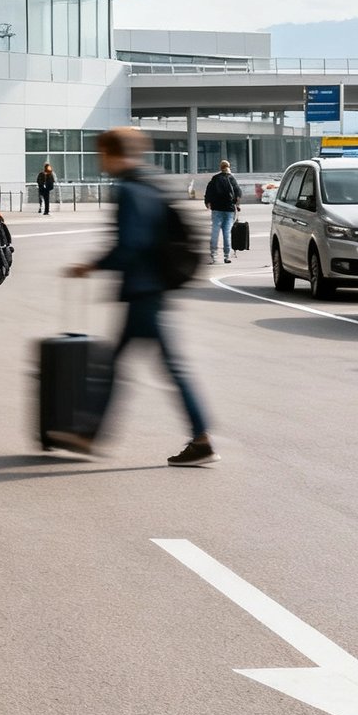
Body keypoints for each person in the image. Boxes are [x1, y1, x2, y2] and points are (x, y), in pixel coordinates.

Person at [60, 127, 215, 467]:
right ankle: (92, 434)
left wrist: (91, 266)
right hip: (153, 289)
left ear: (112, 153)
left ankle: (199, 436)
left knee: (146, 367)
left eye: (101, 153)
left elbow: (131, 244)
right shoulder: (151, 181)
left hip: (143, 291)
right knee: (138, 366)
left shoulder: (129, 189)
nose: (100, 160)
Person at [203, 158, 242, 263]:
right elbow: (238, 192)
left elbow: (208, 191)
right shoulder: (231, 178)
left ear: (220, 168)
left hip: (216, 209)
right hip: (229, 210)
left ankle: (214, 256)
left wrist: (207, 202)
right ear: (228, 167)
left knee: (215, 232)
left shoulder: (215, 178)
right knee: (227, 233)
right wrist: (237, 204)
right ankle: (226, 256)